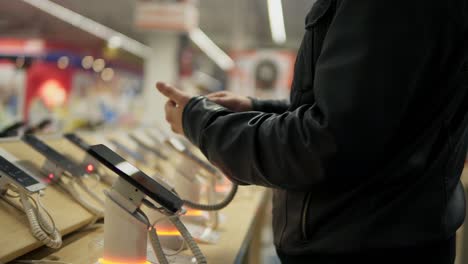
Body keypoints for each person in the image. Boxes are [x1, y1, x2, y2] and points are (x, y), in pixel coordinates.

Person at [156, 0, 468, 263]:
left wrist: (199, 122)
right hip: (383, 235)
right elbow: (363, 116)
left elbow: (325, 144)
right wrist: (255, 108)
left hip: (363, 246)